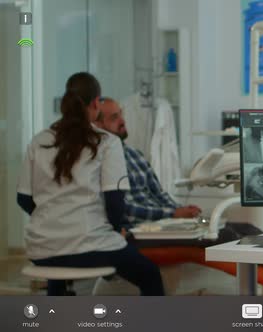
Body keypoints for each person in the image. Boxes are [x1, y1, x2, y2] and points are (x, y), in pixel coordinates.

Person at [16, 72, 164, 296]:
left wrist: (53, 220)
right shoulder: (107, 142)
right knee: (150, 274)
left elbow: (24, 199)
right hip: (89, 244)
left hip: (41, 248)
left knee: (59, 268)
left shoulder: (38, 141)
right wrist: (116, 232)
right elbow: (115, 203)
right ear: (96, 103)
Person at [94, 97, 200, 226]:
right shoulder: (98, 159)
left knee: (223, 231)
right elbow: (123, 209)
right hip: (138, 229)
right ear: (97, 125)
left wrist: (182, 211)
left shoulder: (135, 155)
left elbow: (159, 194)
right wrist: (172, 214)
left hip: (163, 223)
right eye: (114, 117)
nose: (122, 121)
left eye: (121, 114)